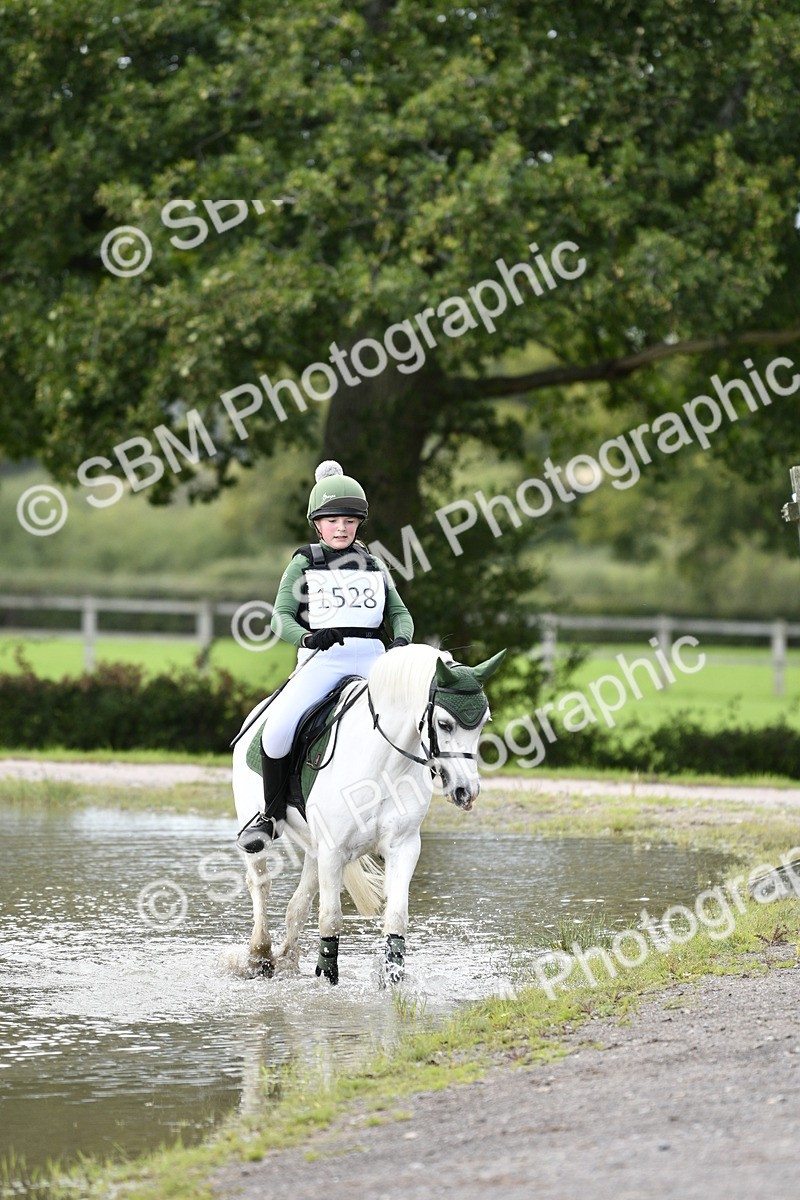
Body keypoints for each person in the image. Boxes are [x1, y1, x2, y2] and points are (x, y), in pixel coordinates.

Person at [237, 460, 414, 852]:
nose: (341, 528)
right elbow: (279, 618)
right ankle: (271, 815)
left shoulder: (374, 564)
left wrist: (400, 643)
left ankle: (418, 799)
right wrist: (308, 638)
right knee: (278, 727)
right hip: (324, 658)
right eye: (332, 520)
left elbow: (399, 613)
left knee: (414, 716)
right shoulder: (305, 561)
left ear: (359, 524)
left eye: (349, 521)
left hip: (373, 658)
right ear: (317, 523)